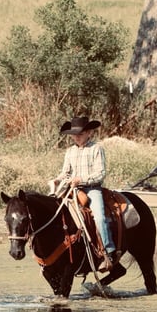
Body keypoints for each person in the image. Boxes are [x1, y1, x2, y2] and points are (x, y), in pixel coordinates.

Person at [49, 116, 117, 270]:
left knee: (99, 216)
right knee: (56, 212)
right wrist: (56, 180)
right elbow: (65, 172)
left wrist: (81, 180)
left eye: (80, 134)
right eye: (74, 134)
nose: (76, 137)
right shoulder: (70, 151)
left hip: (92, 188)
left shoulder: (96, 148)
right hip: (72, 189)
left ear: (89, 133)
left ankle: (109, 250)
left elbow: (100, 173)